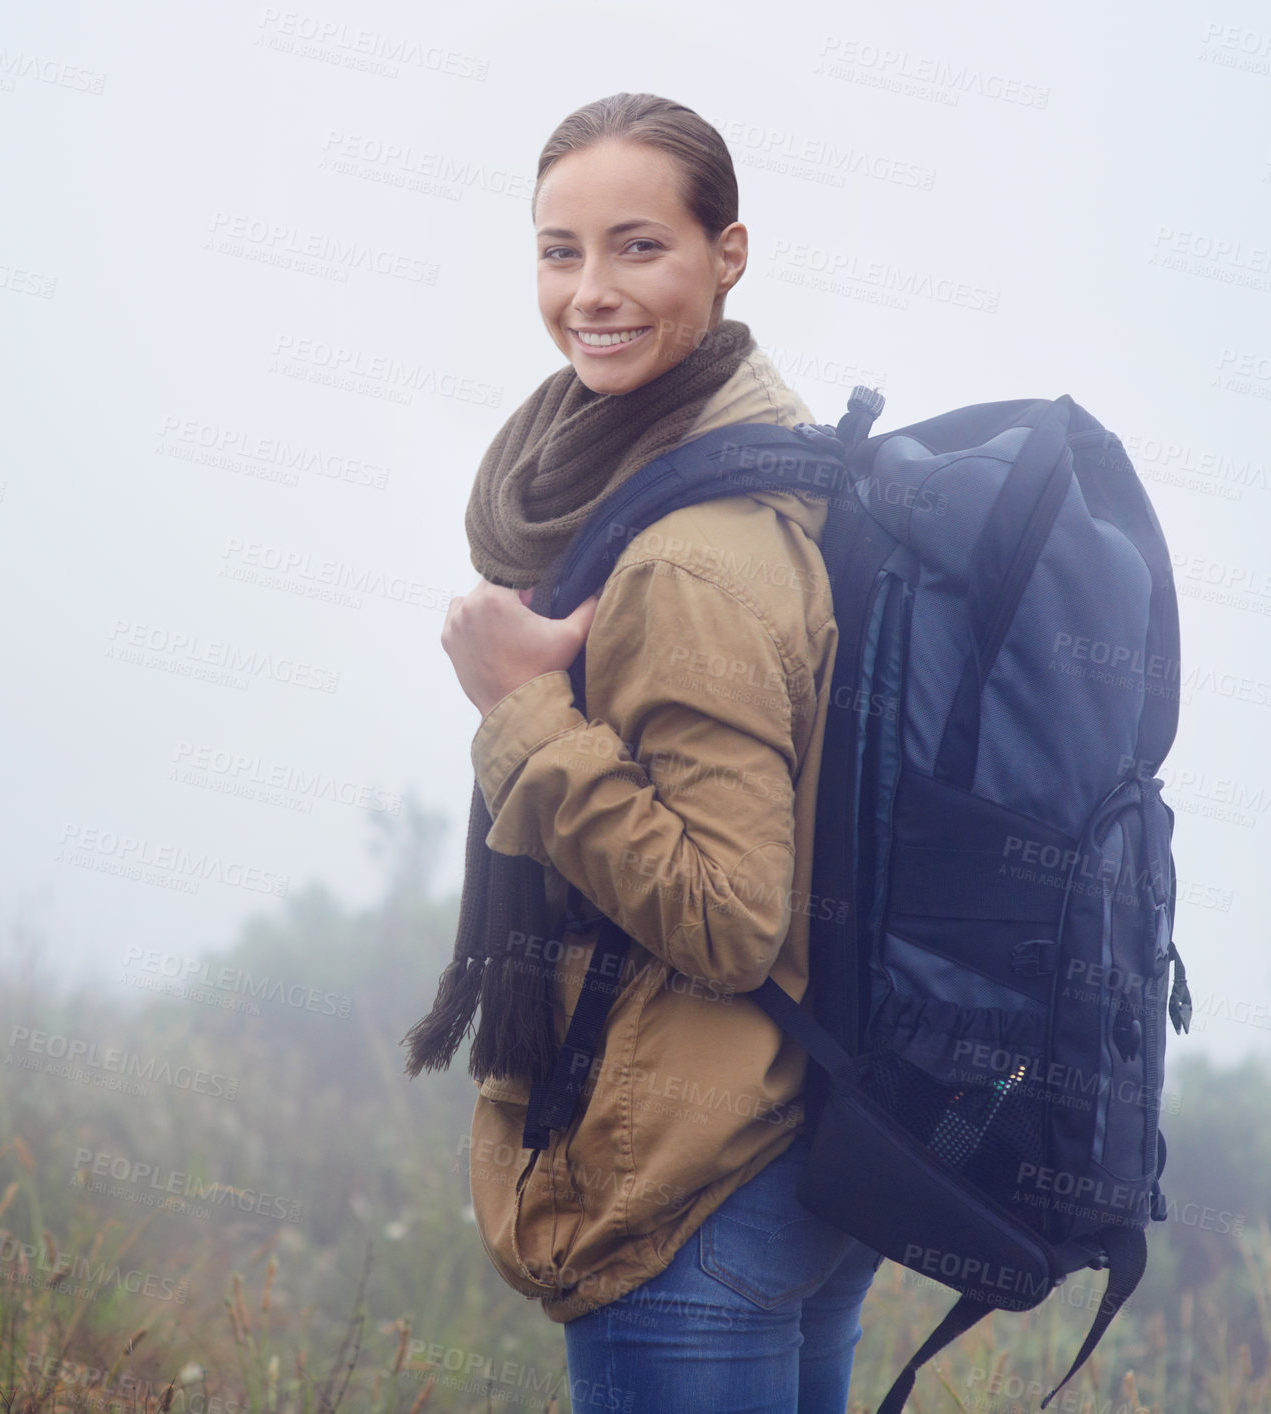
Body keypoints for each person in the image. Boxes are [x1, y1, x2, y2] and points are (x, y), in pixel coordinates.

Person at [404, 93, 881, 1414]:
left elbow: (730, 914)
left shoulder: (685, 555)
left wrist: (518, 711)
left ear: (727, 253)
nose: (589, 292)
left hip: (693, 1185)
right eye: (559, 252)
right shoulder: (764, 467)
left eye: (637, 247)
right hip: (787, 1145)